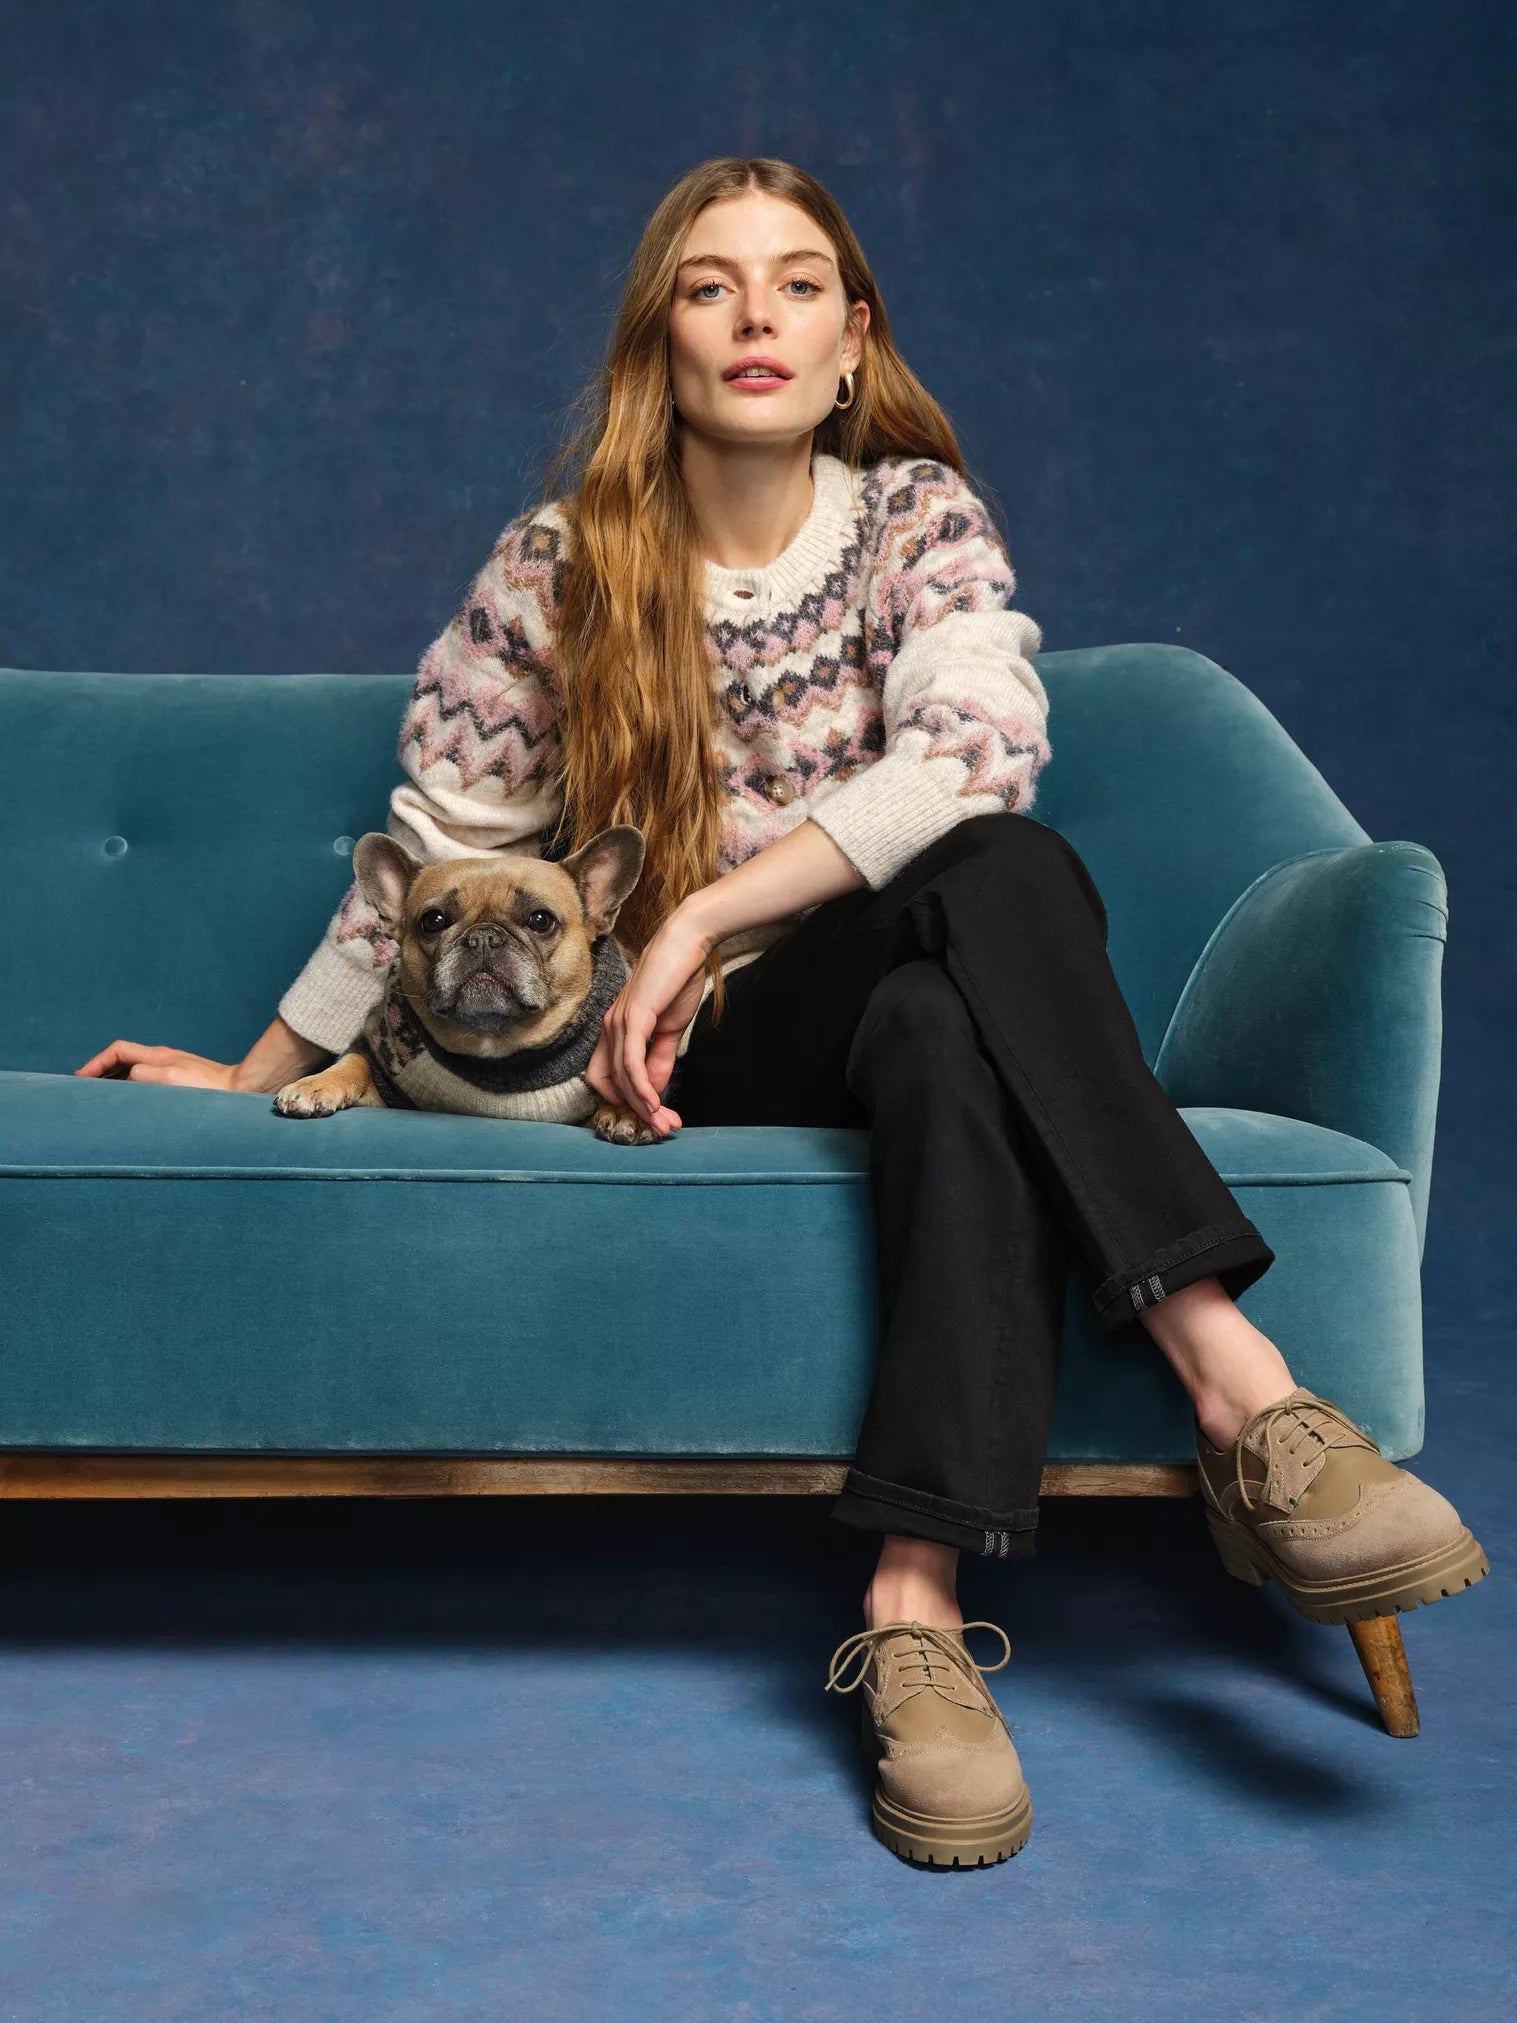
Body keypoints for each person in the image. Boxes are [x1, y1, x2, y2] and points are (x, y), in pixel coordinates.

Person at [77, 156, 1488, 1872]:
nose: (756, 315)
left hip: (861, 989)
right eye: (710, 284)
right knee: (992, 890)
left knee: (969, 938)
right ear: (656, 341)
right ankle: (1247, 1393)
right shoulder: (557, 563)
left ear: (850, 337)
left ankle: (917, 1604)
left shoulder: (914, 521)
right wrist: (255, 1074)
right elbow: (431, 852)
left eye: (798, 282)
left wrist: (703, 913)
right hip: (695, 1054)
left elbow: (975, 749)